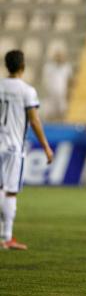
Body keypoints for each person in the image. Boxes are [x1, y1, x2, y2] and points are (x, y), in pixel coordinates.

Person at [0, 50, 53, 250]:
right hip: (14, 147)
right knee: (11, 191)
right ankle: (7, 237)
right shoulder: (26, 91)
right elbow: (34, 120)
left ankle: (4, 236)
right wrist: (46, 147)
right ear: (22, 66)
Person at [42, 50, 73, 121]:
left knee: (62, 111)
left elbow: (69, 81)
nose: (59, 58)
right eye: (58, 56)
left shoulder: (67, 67)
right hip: (51, 94)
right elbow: (46, 80)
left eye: (61, 56)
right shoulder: (48, 67)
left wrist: (68, 92)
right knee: (49, 112)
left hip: (62, 94)